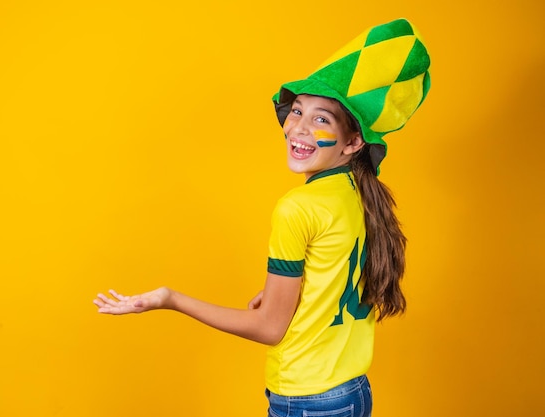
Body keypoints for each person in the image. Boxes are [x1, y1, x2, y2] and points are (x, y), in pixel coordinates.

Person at [94, 18, 431, 417]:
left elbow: (270, 328)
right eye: (298, 112)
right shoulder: (360, 193)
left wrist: (170, 299)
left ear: (353, 142)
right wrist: (282, 293)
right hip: (352, 392)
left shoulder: (298, 207)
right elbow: (333, 274)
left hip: (307, 400)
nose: (299, 129)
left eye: (321, 119)